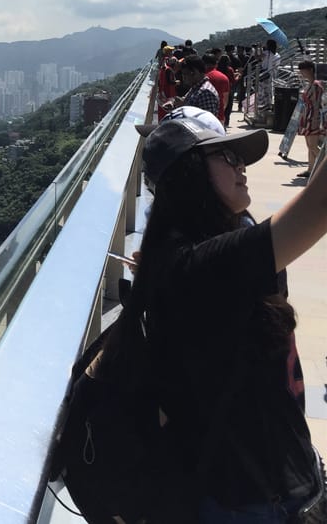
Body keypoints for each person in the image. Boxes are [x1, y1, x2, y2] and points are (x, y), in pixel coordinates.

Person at [137, 105, 327, 519]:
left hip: (260, 483)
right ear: (189, 174)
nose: (243, 167)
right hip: (253, 501)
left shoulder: (184, 254)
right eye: (228, 156)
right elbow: (319, 206)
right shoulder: (200, 266)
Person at [301, 61, 324, 185]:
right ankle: (311, 168)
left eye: (303, 70)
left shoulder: (315, 85)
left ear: (309, 70)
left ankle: (322, 166)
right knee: (309, 145)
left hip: (313, 117)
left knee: (312, 145)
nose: (302, 73)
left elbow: (317, 103)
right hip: (308, 116)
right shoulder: (310, 84)